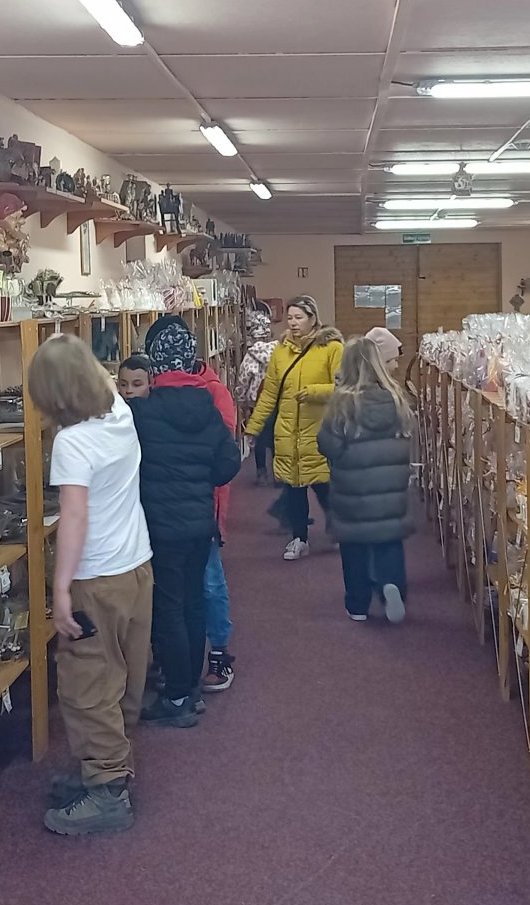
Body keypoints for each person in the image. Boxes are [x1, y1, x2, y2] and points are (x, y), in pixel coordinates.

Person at [27, 336, 153, 838]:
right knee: (123, 673)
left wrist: (60, 589)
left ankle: (107, 790)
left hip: (97, 577)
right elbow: (100, 379)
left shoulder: (72, 442)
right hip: (137, 567)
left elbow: (75, 517)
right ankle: (104, 768)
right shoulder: (120, 411)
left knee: (87, 684)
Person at [130, 316, 241, 726]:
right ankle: (190, 688)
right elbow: (228, 464)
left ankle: (176, 695)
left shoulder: (141, 413)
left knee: (168, 609)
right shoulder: (207, 408)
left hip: (161, 528)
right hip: (199, 524)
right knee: (194, 603)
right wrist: (198, 479)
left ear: (155, 365)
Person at [317, 337, 414, 622]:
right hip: (390, 487)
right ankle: (391, 585)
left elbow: (327, 445)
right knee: (389, 541)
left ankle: (358, 604)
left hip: (353, 490)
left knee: (353, 545)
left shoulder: (342, 404)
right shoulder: (396, 399)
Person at [245, 295, 343, 560]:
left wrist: (313, 392)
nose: (293, 323)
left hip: (320, 432)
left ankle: (339, 527)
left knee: (323, 484)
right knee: (294, 487)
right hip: (287, 432)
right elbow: (270, 394)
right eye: (289, 318)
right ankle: (300, 538)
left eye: (299, 317)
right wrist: (254, 427)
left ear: (313, 319)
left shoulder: (332, 348)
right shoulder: (281, 351)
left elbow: (343, 387)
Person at [235, 307, 278, 482]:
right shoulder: (280, 352)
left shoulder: (250, 356)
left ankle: (261, 472)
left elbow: (244, 379)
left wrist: (241, 400)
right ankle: (278, 473)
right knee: (277, 436)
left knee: (259, 436)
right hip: (278, 400)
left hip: (257, 402)